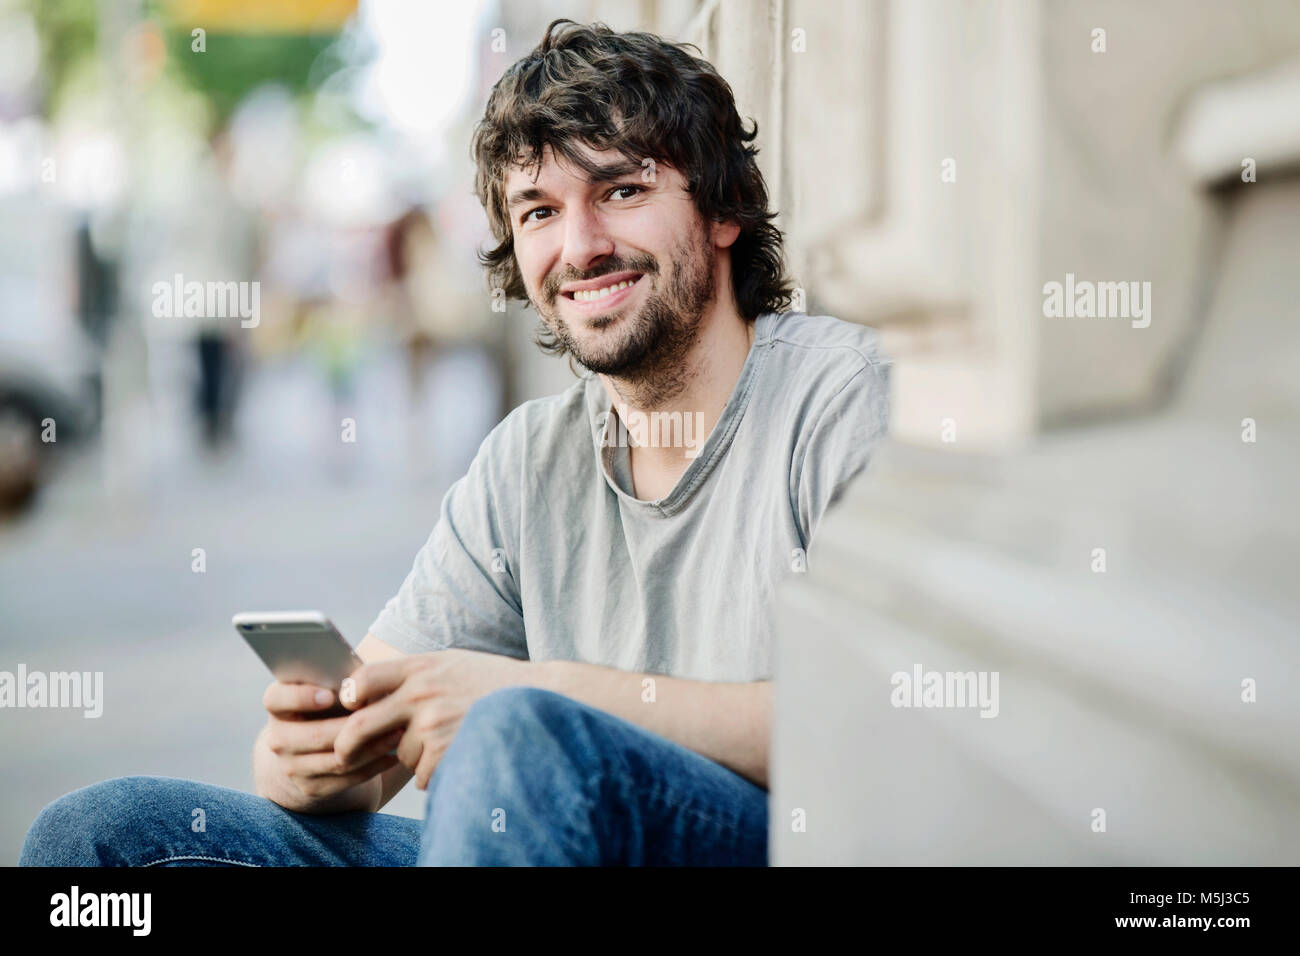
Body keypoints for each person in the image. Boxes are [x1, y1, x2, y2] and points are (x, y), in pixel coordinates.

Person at [20, 19, 890, 867]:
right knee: (101, 837)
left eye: (622, 191)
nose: (580, 247)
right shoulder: (527, 459)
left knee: (521, 738)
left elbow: (877, 726)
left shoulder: (835, 395)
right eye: (540, 210)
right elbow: (384, 735)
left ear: (721, 210)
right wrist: (316, 757)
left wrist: (530, 696)